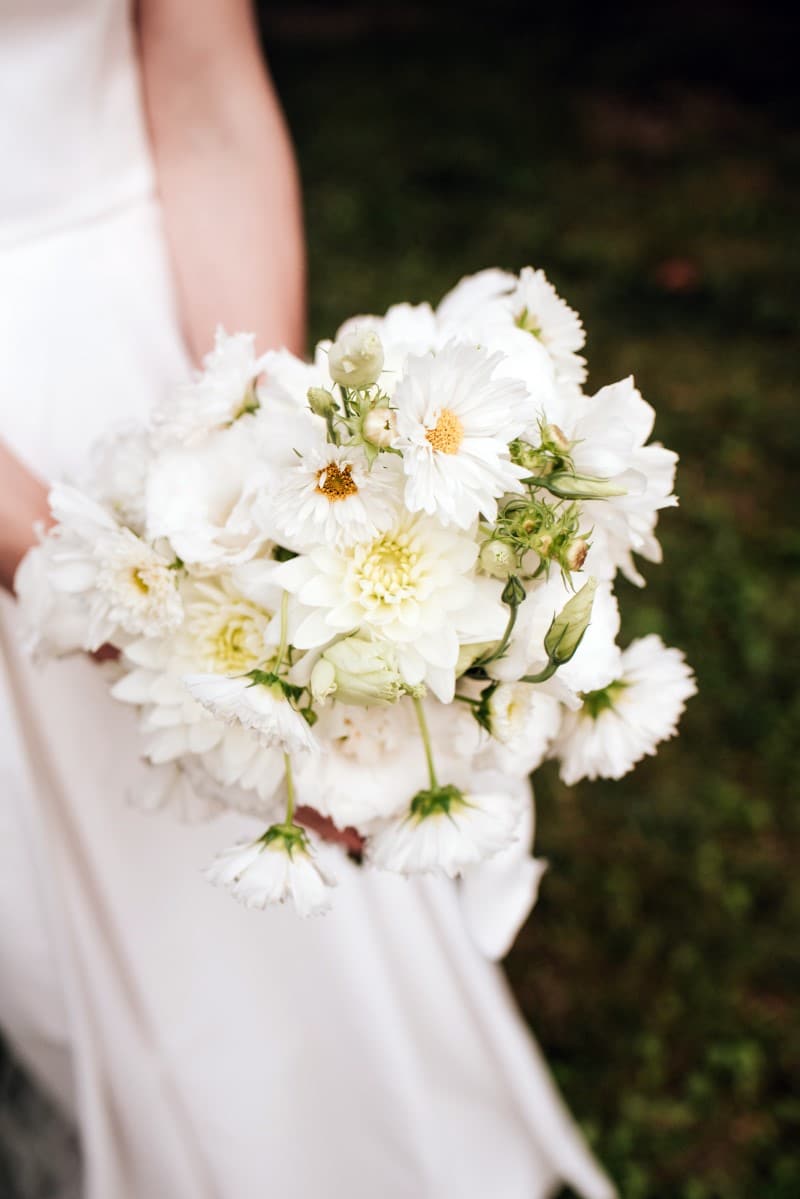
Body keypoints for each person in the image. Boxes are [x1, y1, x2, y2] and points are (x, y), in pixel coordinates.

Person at [0, 2, 616, 1196]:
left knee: (281, 961)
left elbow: (207, 90)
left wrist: (272, 470)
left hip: (145, 318)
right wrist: (108, 590)